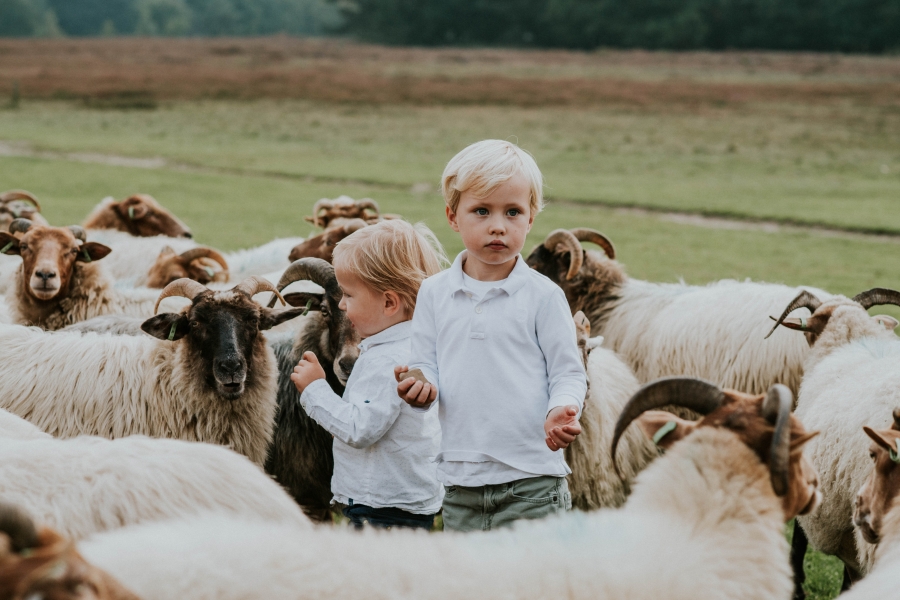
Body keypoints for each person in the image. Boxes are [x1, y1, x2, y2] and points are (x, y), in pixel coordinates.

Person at [396, 139, 588, 532]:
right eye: (481, 211)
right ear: (453, 217)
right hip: (460, 481)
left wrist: (561, 409)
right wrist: (420, 386)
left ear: (531, 218)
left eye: (513, 212)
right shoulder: (434, 293)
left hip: (532, 480)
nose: (498, 225)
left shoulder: (544, 296)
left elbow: (568, 372)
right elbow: (424, 364)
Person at [291, 219, 446, 530]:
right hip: (404, 501)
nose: (341, 305)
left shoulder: (387, 359)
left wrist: (314, 389)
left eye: (349, 295)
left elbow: (359, 429)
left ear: (389, 302)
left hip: (381, 507)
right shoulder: (417, 344)